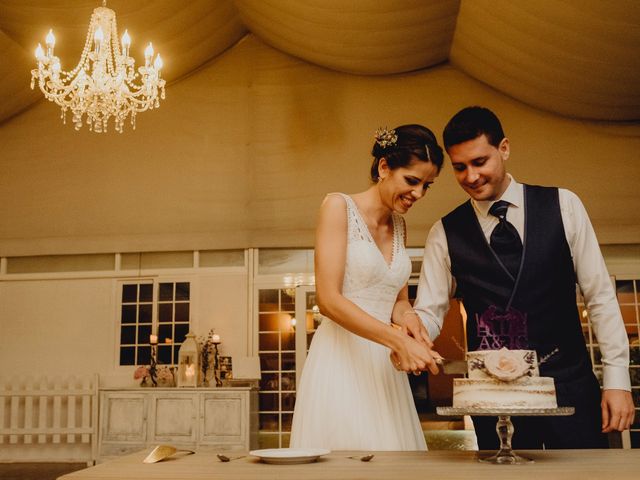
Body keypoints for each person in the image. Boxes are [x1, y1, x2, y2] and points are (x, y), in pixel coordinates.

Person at [409, 106, 635, 449]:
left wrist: (617, 380)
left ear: (504, 148)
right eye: (459, 167)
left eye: (479, 161)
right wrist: (410, 334)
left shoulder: (564, 205)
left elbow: (600, 296)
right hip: (493, 398)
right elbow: (430, 310)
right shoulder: (445, 232)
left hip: (569, 386)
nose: (470, 176)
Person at [290, 124, 444, 450]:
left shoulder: (401, 226)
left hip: (384, 368)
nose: (418, 194)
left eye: (427, 186)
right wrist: (396, 339)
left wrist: (410, 320)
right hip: (341, 361)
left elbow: (397, 301)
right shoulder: (338, 207)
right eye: (412, 181)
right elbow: (328, 300)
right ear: (384, 167)